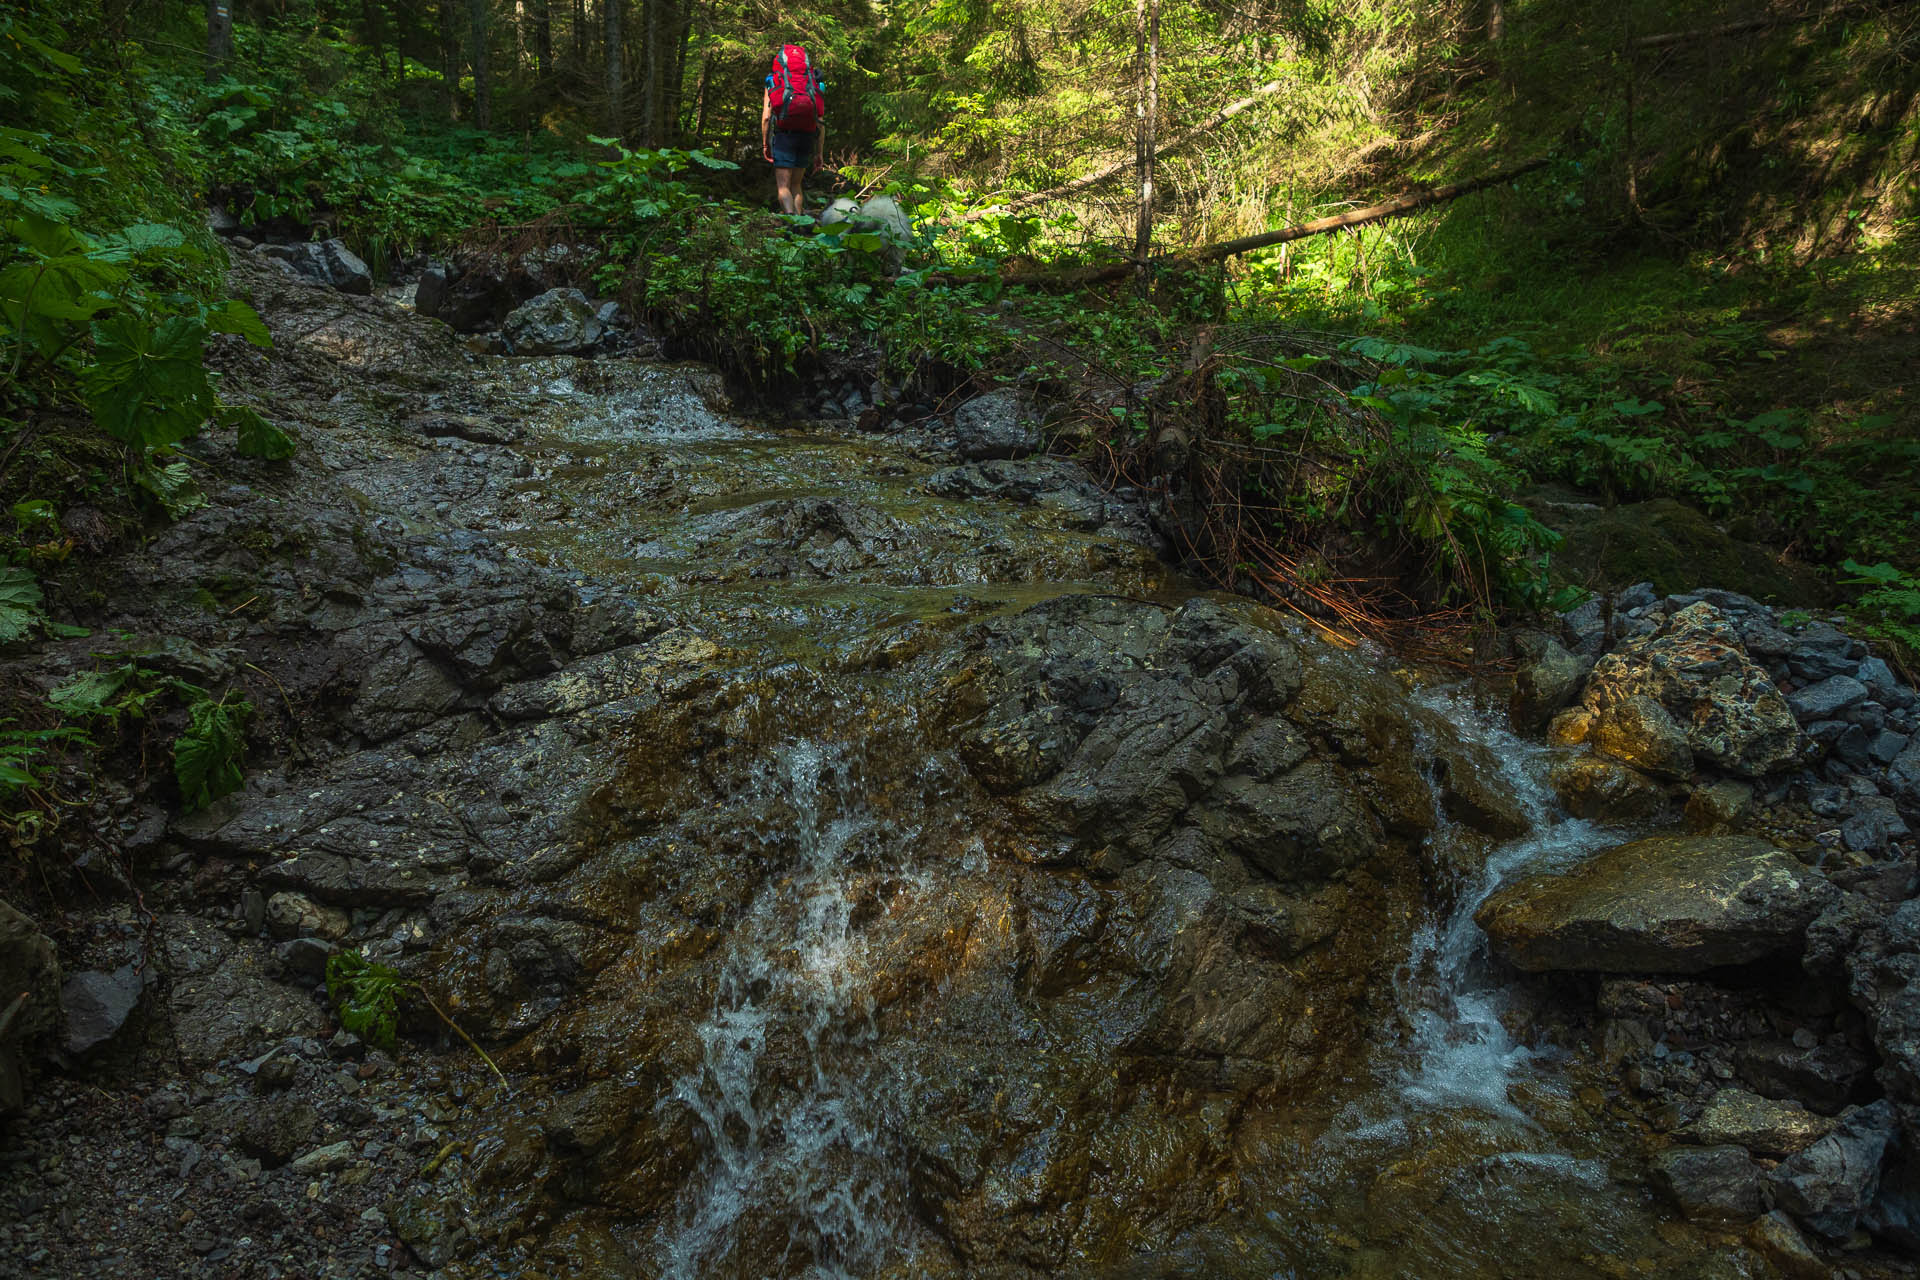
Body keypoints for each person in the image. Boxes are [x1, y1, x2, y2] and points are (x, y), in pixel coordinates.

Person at [761, 44, 824, 216]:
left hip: (784, 137)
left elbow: (767, 117)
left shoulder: (773, 80)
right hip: (807, 136)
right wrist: (819, 152)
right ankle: (800, 225)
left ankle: (792, 223)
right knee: (796, 185)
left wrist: (765, 144)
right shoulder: (812, 82)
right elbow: (820, 120)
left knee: (783, 187)